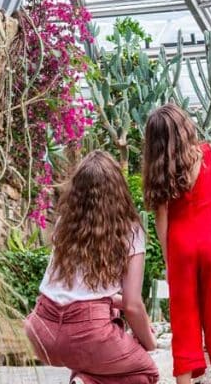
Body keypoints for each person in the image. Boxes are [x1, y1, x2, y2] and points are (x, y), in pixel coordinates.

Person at [24, 151, 158, 384]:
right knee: (144, 373)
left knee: (111, 315)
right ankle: (86, 380)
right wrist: (148, 342)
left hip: (39, 332)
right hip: (87, 336)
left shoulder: (65, 222)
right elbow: (132, 304)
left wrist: (113, 303)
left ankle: (86, 378)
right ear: (118, 190)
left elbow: (77, 292)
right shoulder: (130, 230)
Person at [142, 104, 211, 384]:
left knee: (185, 323)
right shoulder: (209, 152)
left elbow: (162, 221)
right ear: (185, 127)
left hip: (181, 248)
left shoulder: (160, 173)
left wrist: (169, 262)